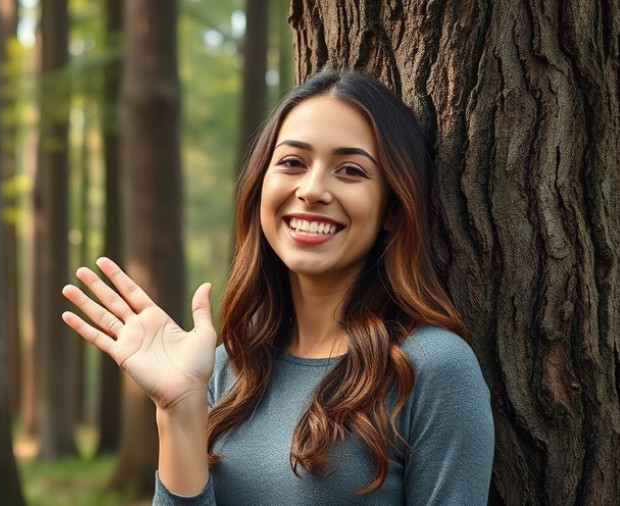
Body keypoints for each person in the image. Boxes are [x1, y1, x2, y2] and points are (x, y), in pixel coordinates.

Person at [61, 68, 494, 505]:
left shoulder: (432, 369)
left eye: (350, 170)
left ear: (392, 210)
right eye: (292, 162)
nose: (312, 190)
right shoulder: (225, 370)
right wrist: (178, 411)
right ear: (259, 185)